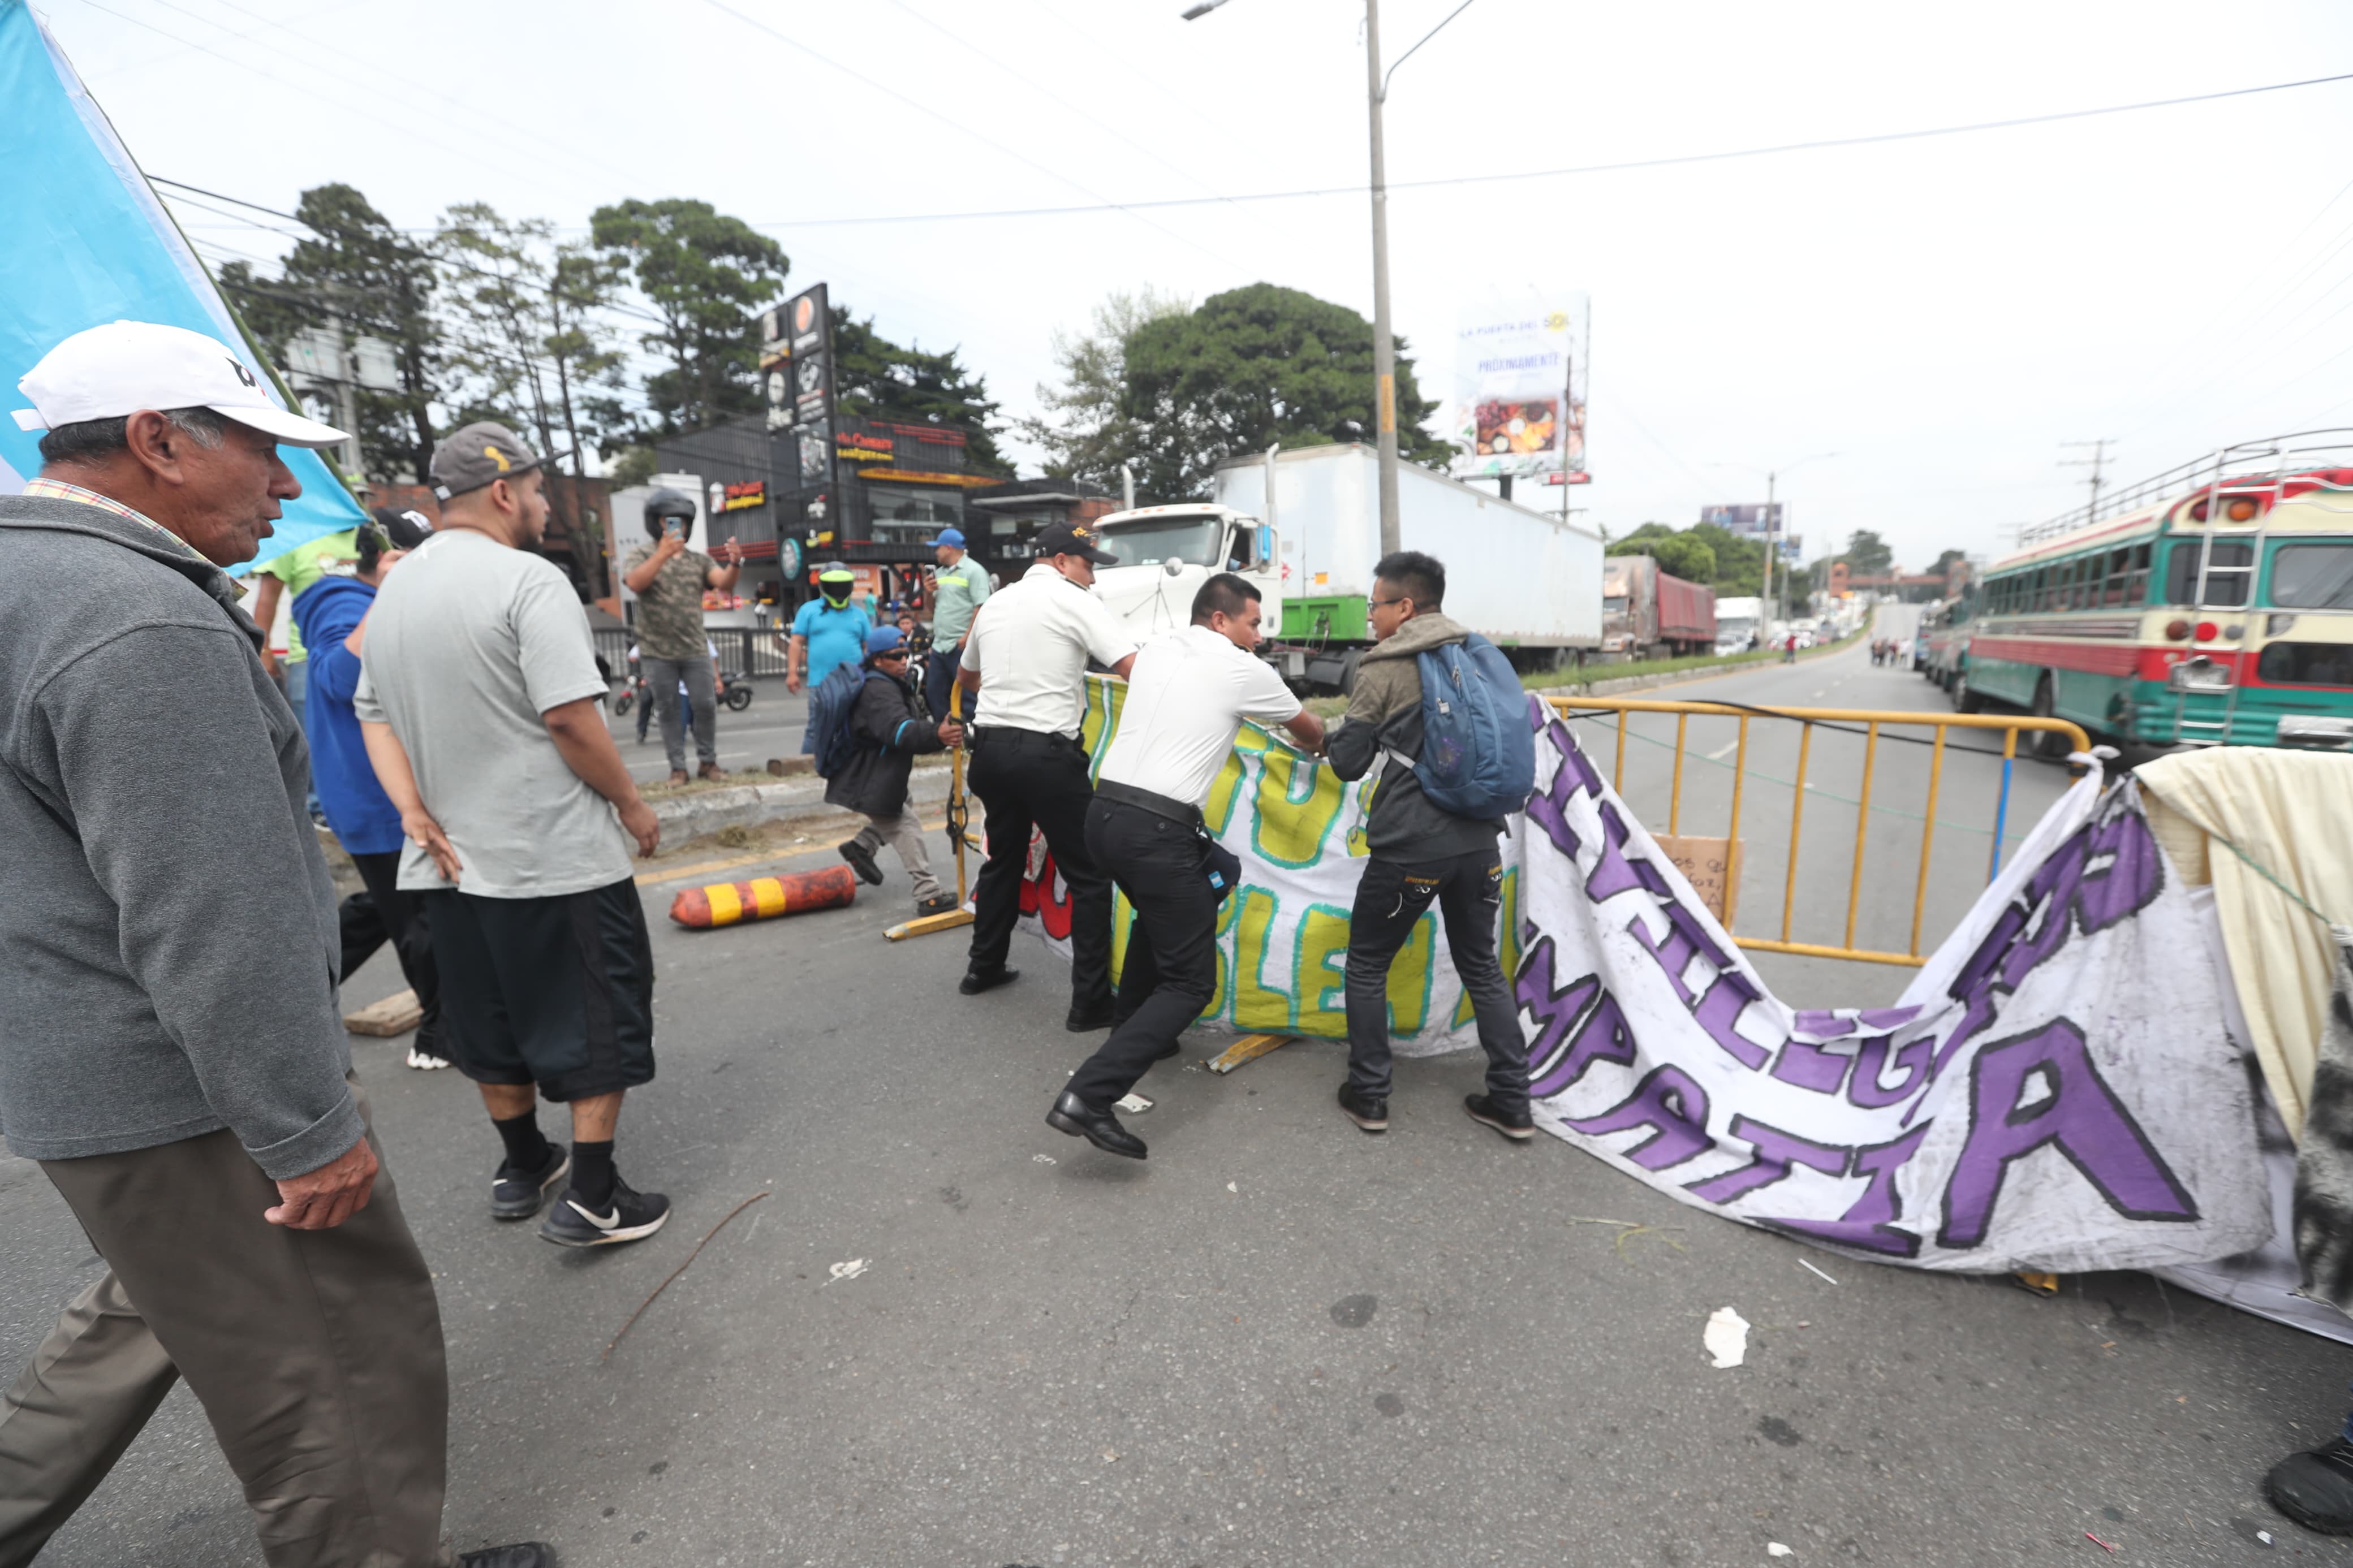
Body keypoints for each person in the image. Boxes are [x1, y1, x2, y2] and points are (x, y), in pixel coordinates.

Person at [0, 321, 548, 1567]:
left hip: (76, 1068)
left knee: (145, 1315)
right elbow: (210, 915)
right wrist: (306, 1127)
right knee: (336, 1375)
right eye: (263, 453)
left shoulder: (23, 582)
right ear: (157, 442)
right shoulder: (140, 622)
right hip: (189, 1092)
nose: (288, 488)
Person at [355, 422, 671, 1250]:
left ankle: (525, 1163)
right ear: (503, 492)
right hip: (550, 854)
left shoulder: (395, 591)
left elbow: (372, 714)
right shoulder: (529, 580)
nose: (539, 506)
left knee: (487, 1020)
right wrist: (633, 805)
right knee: (596, 1015)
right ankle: (597, 1195)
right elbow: (569, 715)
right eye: (535, 492)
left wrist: (410, 811)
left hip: (447, 863)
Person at [1050, 573, 1324, 1159]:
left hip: (1105, 816)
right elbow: (1310, 734)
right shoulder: (1241, 667)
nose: (1258, 635)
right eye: (1253, 623)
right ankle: (1089, 1096)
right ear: (1220, 619)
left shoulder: (1154, 652)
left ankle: (1138, 1032)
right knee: (1192, 982)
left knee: (1178, 902)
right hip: (1156, 830)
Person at [1325, 550, 1534, 1144]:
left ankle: (1369, 1096)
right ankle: (1512, 1103)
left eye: (1375, 604)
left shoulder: (1385, 665)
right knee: (1481, 967)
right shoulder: (1478, 653)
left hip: (1409, 848)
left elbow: (1346, 763)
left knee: (1366, 964)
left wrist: (1347, 731)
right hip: (1479, 842)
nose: (1370, 617)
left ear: (1405, 606)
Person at [956, 519, 1139, 1027]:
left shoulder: (995, 602)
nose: (1093, 579)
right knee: (1089, 874)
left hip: (989, 752)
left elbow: (966, 675)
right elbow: (1131, 668)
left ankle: (983, 967)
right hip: (1046, 756)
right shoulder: (1075, 601)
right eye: (1087, 565)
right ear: (1061, 561)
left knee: (1003, 860)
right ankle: (1090, 1003)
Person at [294, 505, 449, 1071]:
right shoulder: (342, 603)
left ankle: (294, 991)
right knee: (419, 916)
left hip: (395, 791)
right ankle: (439, 1034)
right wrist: (388, 598)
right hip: (374, 797)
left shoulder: (393, 600)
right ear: (384, 561)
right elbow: (338, 676)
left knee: (389, 907)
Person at [829, 625, 963, 917]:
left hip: (878, 771)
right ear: (877, 660)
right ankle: (928, 895)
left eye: (906, 654)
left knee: (901, 804)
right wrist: (937, 735)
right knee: (905, 825)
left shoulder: (887, 682)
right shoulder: (878, 691)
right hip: (870, 775)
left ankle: (861, 847)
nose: (904, 660)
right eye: (896, 656)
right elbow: (899, 732)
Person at [621, 486, 742, 784]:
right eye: (669, 521)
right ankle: (677, 768)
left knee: (705, 705)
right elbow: (635, 583)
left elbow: (723, 583)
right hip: (656, 649)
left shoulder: (698, 561)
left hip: (694, 647)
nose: (677, 527)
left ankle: (708, 763)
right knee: (668, 709)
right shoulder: (641, 555)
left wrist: (735, 564)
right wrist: (662, 555)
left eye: (682, 522)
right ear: (656, 523)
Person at [925, 526, 992, 720]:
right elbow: (932, 608)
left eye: (937, 548)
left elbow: (981, 606)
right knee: (935, 692)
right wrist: (927, 592)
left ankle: (971, 734)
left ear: (948, 548)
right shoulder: (939, 573)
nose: (935, 552)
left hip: (961, 645)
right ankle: (946, 734)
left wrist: (967, 637)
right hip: (940, 645)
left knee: (968, 694)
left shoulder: (975, 571)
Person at [787, 564, 871, 696]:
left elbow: (868, 647)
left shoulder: (860, 614)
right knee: (822, 716)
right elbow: (796, 642)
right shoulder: (808, 610)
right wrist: (792, 673)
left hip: (855, 681)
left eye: (842, 585)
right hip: (820, 683)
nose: (838, 590)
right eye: (833, 585)